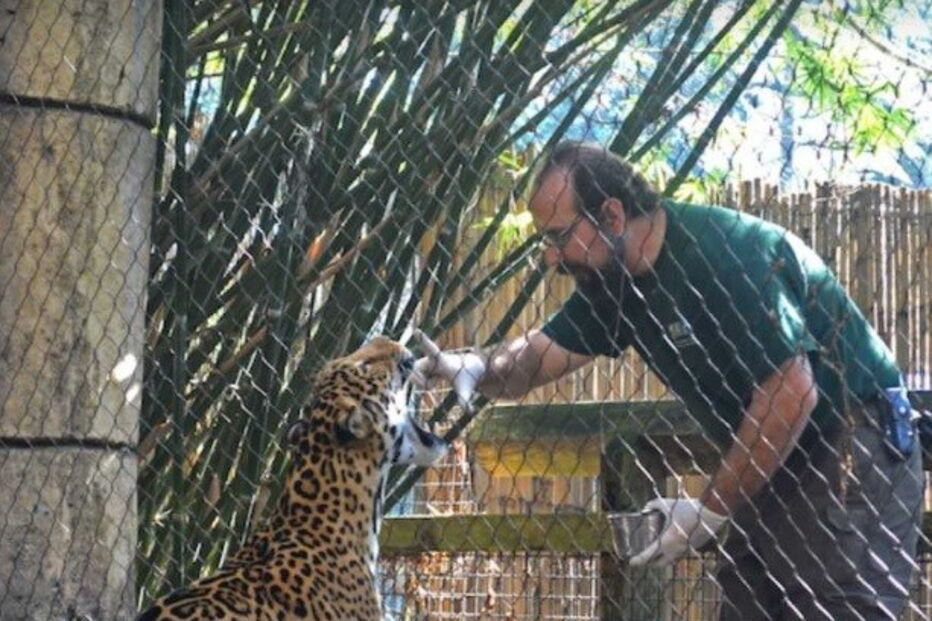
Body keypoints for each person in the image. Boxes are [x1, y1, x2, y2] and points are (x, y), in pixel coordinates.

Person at [413, 141, 923, 620]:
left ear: (612, 214)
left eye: (559, 237)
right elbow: (539, 356)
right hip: (772, 461)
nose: (551, 257)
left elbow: (793, 391)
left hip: (851, 443)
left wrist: (706, 511)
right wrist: (474, 368)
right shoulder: (617, 285)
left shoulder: (723, 253)